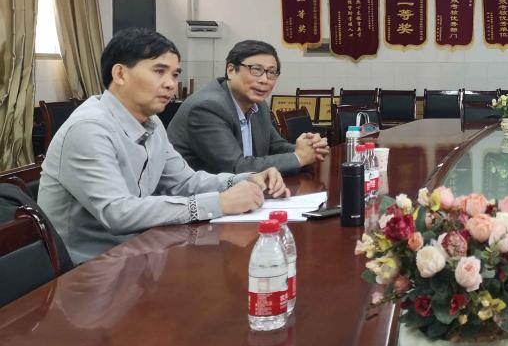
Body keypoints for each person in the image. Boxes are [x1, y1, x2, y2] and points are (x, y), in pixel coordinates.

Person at [38, 28, 288, 263]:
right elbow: (118, 212)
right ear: (120, 74)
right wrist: (219, 203)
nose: (171, 84)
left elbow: (184, 182)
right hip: (89, 267)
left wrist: (245, 180)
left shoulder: (152, 122)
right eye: (159, 71)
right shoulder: (89, 128)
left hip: (141, 252)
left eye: (175, 74)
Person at [168, 40, 328, 174]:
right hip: (200, 197)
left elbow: (275, 146)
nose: (265, 80)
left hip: (245, 191)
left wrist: (310, 149)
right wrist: (298, 158)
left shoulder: (258, 104)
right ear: (231, 70)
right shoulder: (207, 107)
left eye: (272, 72)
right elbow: (236, 168)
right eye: (256, 70)